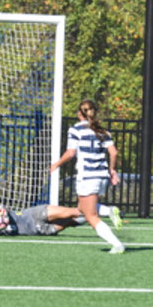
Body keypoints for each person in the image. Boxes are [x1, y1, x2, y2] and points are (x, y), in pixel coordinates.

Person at [50, 98, 124, 254]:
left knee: (91, 216)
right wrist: (112, 169)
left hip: (88, 176)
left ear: (79, 114)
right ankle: (109, 210)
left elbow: (71, 153)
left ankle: (117, 244)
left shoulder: (76, 129)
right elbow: (114, 153)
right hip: (102, 175)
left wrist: (56, 164)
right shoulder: (103, 132)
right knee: (82, 208)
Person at [0, 202, 85, 236]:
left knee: (72, 212)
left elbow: (2, 209)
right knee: (70, 222)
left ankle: (93, 210)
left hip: (34, 214)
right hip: (38, 230)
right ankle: (91, 218)